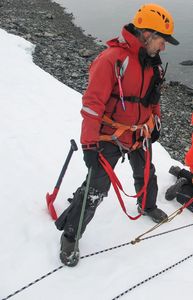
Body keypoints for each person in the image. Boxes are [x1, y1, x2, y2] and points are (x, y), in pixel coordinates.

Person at [55, 3, 179, 267]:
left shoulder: (153, 64)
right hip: (109, 136)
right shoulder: (112, 59)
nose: (164, 47)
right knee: (95, 189)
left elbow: (154, 98)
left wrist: (156, 121)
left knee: (146, 172)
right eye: (161, 40)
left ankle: (146, 206)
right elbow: (92, 105)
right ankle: (70, 236)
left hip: (139, 133)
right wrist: (89, 143)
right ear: (146, 34)